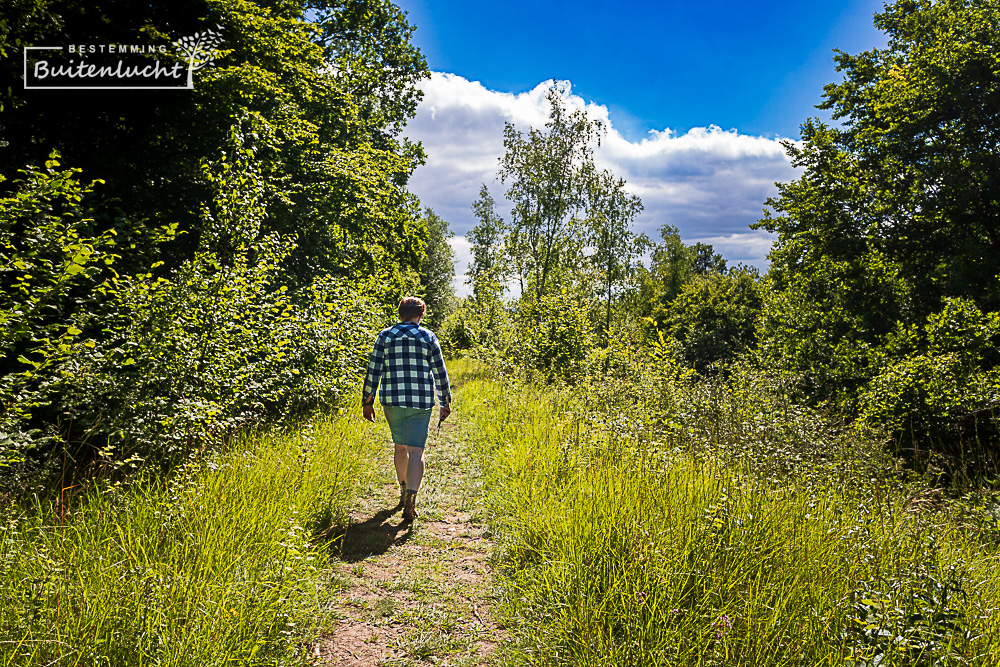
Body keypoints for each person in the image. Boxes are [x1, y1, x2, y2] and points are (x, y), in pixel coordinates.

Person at [362, 296, 451, 520]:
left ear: (400, 314)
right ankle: (411, 500)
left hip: (392, 400)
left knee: (400, 447)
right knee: (416, 451)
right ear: (420, 315)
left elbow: (374, 370)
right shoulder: (427, 336)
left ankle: (402, 492)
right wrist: (445, 401)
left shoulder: (385, 336)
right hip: (420, 402)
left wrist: (367, 401)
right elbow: (440, 372)